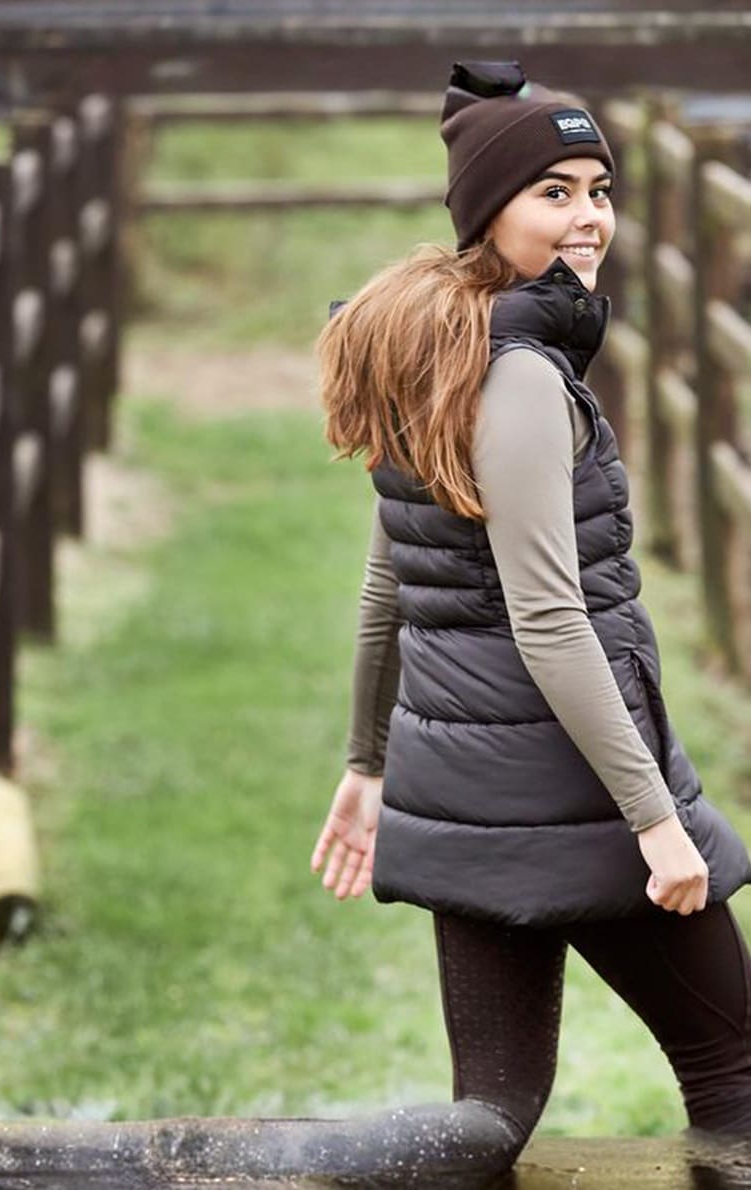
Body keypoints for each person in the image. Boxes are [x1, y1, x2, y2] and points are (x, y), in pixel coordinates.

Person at [311, 59, 751, 1164]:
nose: (587, 217)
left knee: (490, 1118)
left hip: (463, 796)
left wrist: (369, 766)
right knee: (737, 1074)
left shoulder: (425, 347)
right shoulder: (516, 376)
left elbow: (389, 585)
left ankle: (305, 1165)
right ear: (485, 212)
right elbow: (549, 618)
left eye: (598, 190)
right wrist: (654, 817)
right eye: (552, 192)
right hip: (581, 791)